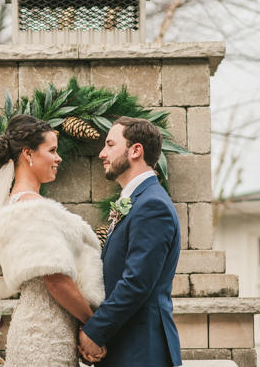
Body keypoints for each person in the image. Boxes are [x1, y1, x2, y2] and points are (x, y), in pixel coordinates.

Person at [0, 114, 106, 367]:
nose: (59, 158)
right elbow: (55, 279)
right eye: (52, 150)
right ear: (28, 154)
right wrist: (94, 327)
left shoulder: (15, 204)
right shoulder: (30, 208)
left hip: (44, 328)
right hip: (46, 336)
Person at [78, 117, 183, 367]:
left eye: (110, 145)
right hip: (127, 346)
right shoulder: (139, 201)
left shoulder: (152, 205)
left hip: (141, 350)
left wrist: (94, 331)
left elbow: (136, 282)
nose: (102, 153)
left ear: (136, 150)